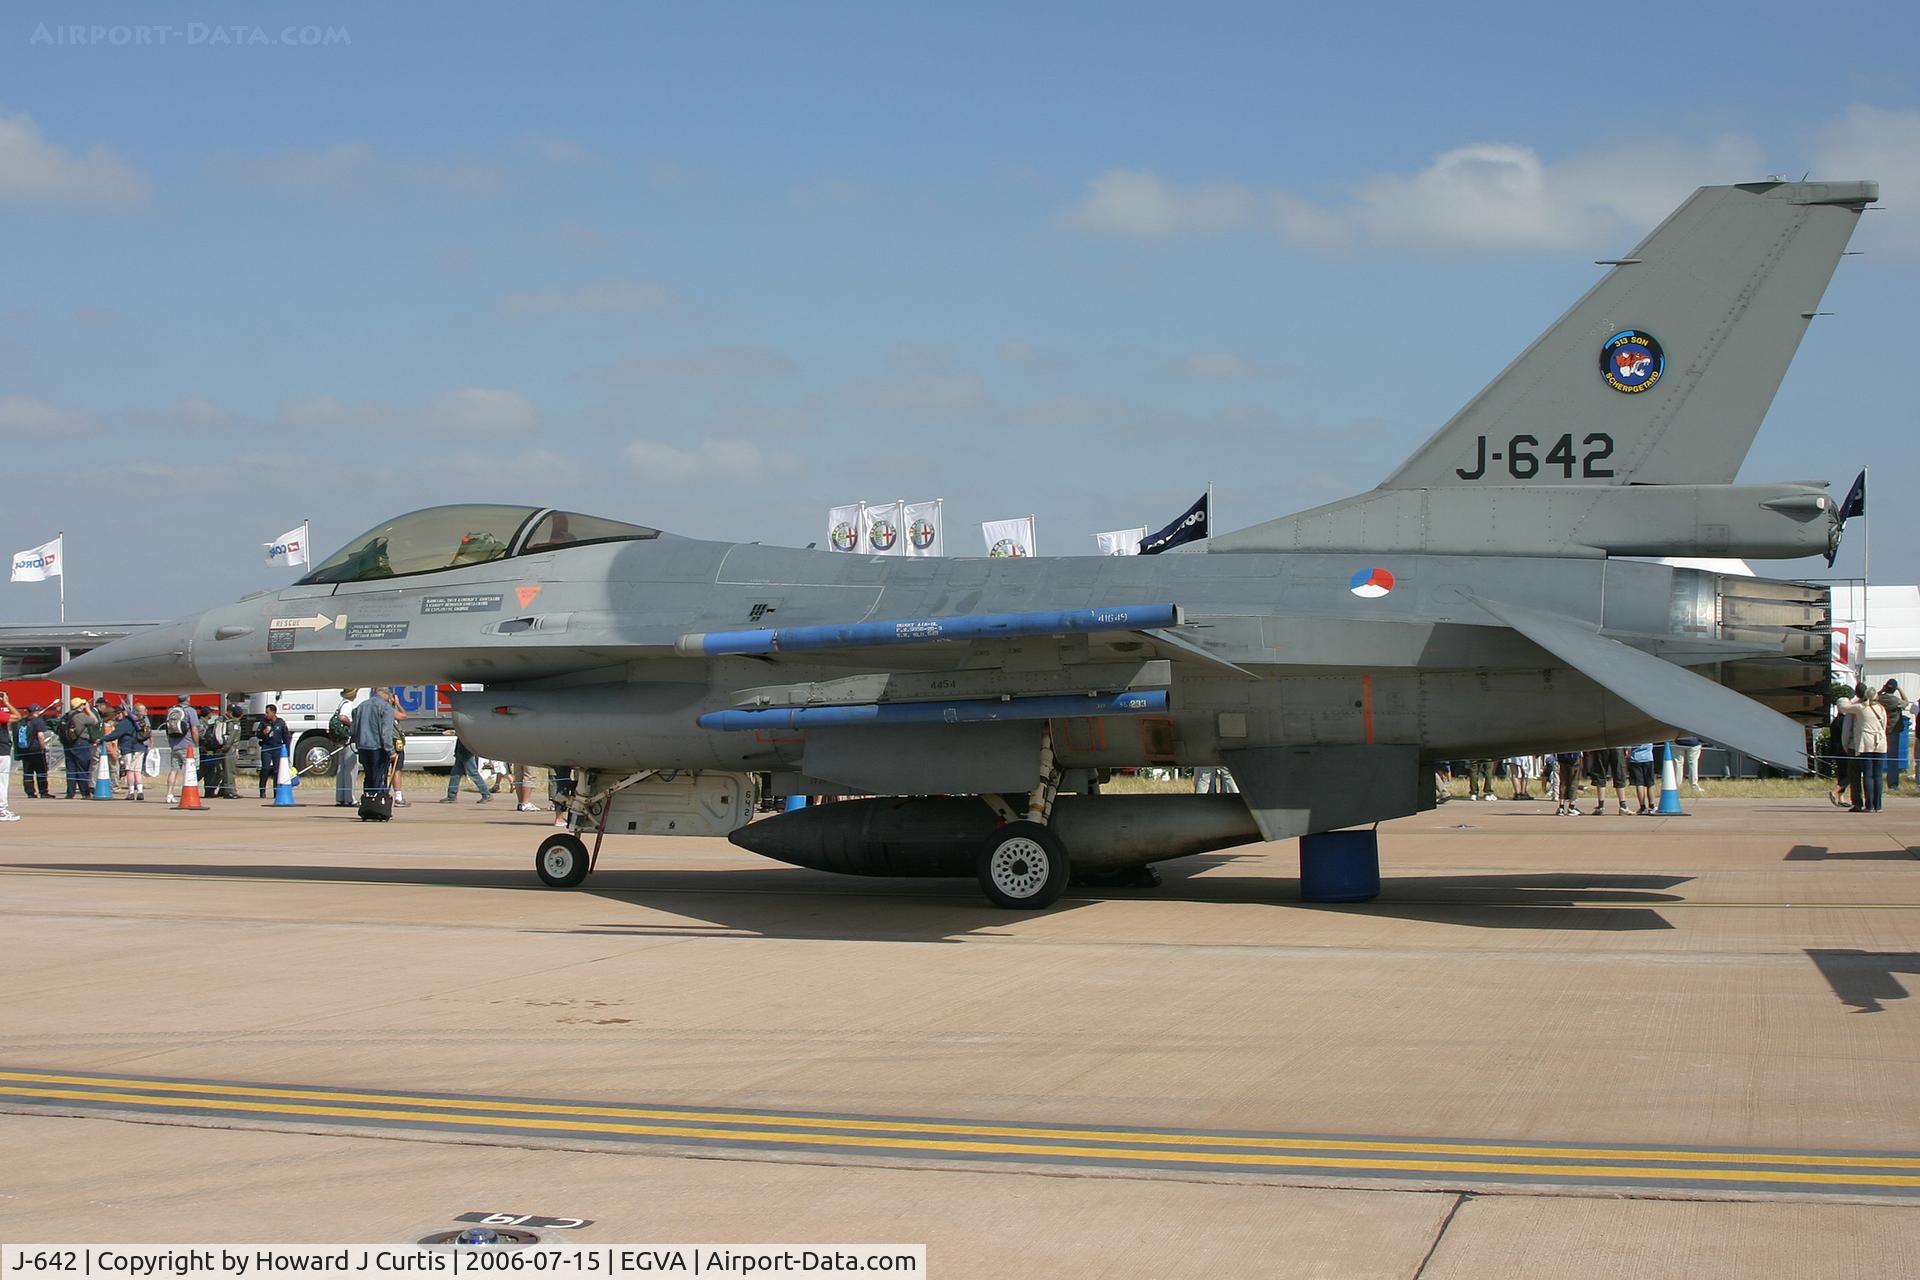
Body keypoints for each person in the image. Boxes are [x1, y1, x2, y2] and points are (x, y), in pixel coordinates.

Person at [1838, 684, 1889, 813]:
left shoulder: (1861, 708)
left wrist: (1848, 700)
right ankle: (1878, 805)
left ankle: (1869, 805)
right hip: (1881, 744)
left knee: (1868, 774)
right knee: (1878, 775)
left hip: (1867, 744)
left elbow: (1843, 707)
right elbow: (1884, 727)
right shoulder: (1882, 709)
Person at [352, 689, 399, 806]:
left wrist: (357, 742)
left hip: (363, 747)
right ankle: (378, 805)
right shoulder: (386, 707)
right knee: (379, 777)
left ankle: (368, 803)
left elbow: (353, 729)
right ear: (385, 694)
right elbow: (386, 732)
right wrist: (391, 751)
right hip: (378, 747)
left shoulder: (361, 706)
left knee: (368, 776)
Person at [105, 703, 151, 800]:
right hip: (140, 747)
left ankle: (130, 792)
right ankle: (140, 791)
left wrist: (102, 739)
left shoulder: (125, 723)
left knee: (130, 770)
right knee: (137, 771)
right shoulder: (141, 721)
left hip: (128, 749)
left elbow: (115, 735)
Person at [162, 695, 199, 804]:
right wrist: (196, 744)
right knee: (190, 770)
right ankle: (189, 794)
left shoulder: (171, 710)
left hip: (174, 745)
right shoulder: (190, 711)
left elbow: (167, 728)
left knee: (174, 770)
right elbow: (194, 729)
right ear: (188, 699)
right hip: (188, 746)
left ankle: (169, 794)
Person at [63, 697, 99, 799]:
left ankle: (70, 793)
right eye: (83, 704)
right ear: (79, 706)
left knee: (71, 769)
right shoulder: (80, 716)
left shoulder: (67, 716)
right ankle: (85, 793)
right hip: (80, 743)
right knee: (82, 769)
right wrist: (88, 710)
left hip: (68, 743)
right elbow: (95, 721)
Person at [330, 692, 361, 807]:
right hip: (347, 738)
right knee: (350, 768)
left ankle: (340, 797)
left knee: (341, 767)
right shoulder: (348, 704)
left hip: (340, 739)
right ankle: (350, 798)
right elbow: (343, 717)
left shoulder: (341, 703)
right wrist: (353, 725)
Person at [256, 704, 291, 798]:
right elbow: (257, 734)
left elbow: (286, 737)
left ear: (273, 712)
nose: (266, 714)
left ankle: (276, 791)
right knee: (266, 768)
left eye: (267, 712)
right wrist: (263, 733)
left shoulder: (280, 722)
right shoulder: (263, 722)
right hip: (267, 747)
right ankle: (262, 791)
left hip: (277, 748)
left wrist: (286, 751)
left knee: (277, 770)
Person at [442, 738, 493, 803]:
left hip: (466, 751)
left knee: (473, 773)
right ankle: (451, 796)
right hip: (461, 750)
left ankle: (486, 794)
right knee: (455, 774)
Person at [16, 704, 50, 799]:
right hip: (36, 750)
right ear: (35, 712)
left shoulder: (23, 721)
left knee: (27, 772)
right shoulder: (38, 721)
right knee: (41, 771)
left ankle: (30, 792)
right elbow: (40, 736)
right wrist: (43, 747)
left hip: (24, 750)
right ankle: (43, 792)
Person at [1585, 747, 1629, 815]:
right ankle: (1622, 806)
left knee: (1601, 774)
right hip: (1616, 746)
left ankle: (1601, 806)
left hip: (1602, 745)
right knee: (1618, 773)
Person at [0, 692, 18, 821]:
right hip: (1, 751)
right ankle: (2, 809)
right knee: (2, 781)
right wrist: (6, 702)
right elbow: (17, 717)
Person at [1627, 743, 1657, 814]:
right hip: (1648, 758)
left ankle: (1642, 807)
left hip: (1635, 758)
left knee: (1639, 784)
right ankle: (1651, 806)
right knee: (1650, 783)